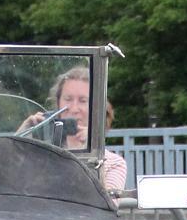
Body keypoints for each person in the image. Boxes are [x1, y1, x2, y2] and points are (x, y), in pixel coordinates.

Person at [20, 65, 129, 193]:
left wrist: (89, 150)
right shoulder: (39, 154)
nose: (74, 108)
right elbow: (5, 181)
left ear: (96, 107)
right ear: (58, 103)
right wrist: (19, 138)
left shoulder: (113, 163)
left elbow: (108, 206)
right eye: (68, 99)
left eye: (83, 101)